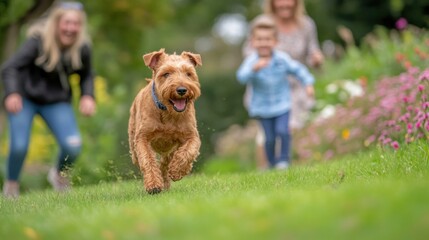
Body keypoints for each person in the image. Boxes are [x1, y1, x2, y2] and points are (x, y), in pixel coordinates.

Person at [1, 1, 96, 198]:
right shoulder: (37, 41)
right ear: (56, 23)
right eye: (66, 23)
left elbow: (87, 74)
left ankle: (59, 176)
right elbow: (10, 67)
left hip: (56, 101)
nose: (71, 28)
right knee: (19, 147)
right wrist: (12, 93)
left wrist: (88, 95)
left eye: (75, 24)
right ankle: (11, 186)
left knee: (73, 145)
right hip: (24, 99)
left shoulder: (83, 47)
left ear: (81, 26)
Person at [243, 0, 323, 169]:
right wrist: (257, 64)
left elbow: (311, 53)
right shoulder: (262, 23)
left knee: (288, 128)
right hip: (264, 88)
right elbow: (248, 54)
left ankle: (285, 165)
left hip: (293, 88)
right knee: (266, 135)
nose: (284, 5)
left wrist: (316, 60)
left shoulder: (306, 24)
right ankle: (266, 168)